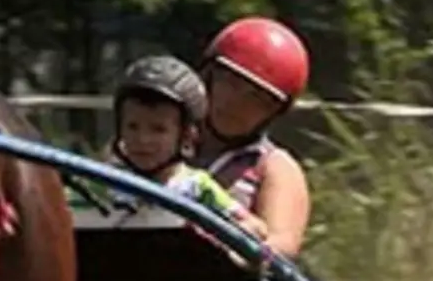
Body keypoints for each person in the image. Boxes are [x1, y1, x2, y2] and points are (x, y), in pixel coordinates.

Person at [107, 55, 268, 241]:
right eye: (132, 126)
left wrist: (240, 230)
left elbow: (256, 227)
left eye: (158, 129)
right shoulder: (104, 183)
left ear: (186, 136)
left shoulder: (197, 187)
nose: (143, 139)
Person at [194, 16, 312, 257]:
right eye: (232, 83)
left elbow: (283, 243)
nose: (238, 103)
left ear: (274, 113)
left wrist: (251, 246)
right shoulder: (152, 143)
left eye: (257, 99)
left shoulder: (273, 167)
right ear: (209, 77)